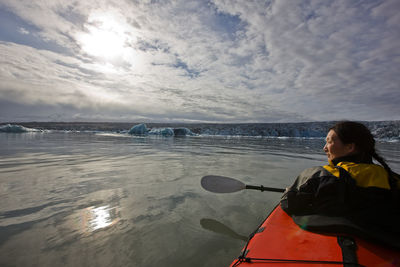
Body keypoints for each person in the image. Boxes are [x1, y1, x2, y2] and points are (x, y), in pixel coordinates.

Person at [280, 121, 400, 248]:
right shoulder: (393, 179)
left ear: (350, 147)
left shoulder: (320, 175)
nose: (324, 147)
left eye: (329, 141)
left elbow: (288, 202)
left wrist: (289, 190)